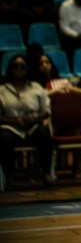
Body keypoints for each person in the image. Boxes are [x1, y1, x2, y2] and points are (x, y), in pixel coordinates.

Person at [0, 54, 55, 188]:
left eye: (22, 66)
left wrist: (35, 118)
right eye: (16, 66)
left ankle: (47, 173)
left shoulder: (36, 87)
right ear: (10, 69)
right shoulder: (2, 90)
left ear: (27, 69)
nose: (19, 69)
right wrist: (15, 121)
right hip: (11, 127)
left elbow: (46, 110)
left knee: (44, 133)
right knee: (3, 138)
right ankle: (10, 176)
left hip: (32, 126)